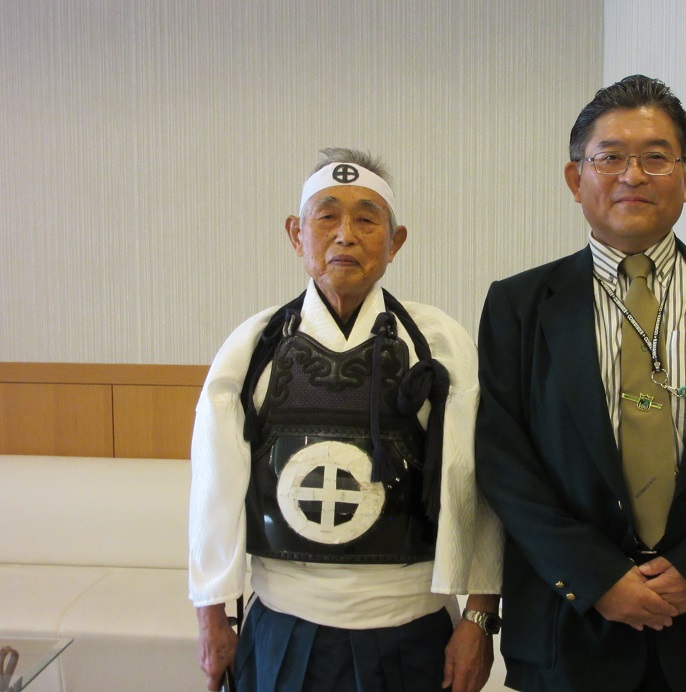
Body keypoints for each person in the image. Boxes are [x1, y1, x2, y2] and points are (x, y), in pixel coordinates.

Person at [474, 76, 686, 691]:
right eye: (610, 157)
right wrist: (595, 577)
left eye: (656, 157)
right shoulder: (519, 305)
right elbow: (503, 459)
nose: (633, 175)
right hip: (571, 633)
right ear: (576, 178)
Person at [190, 148, 503, 692]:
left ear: (395, 241)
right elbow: (214, 489)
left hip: (411, 623)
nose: (345, 236)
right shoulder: (254, 347)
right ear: (296, 235)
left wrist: (479, 617)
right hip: (284, 621)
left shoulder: (438, 345)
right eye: (327, 216)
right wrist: (211, 617)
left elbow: (473, 485)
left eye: (366, 219)